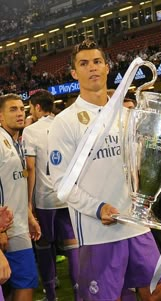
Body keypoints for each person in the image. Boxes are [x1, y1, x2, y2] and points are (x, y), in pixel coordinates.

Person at [48, 39, 161, 301]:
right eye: (84, 63)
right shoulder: (65, 122)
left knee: (157, 291)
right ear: (74, 73)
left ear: (107, 67)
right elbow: (61, 183)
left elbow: (142, 165)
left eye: (97, 62)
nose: (92, 68)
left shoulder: (126, 116)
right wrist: (97, 208)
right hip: (97, 229)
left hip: (134, 222)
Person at [22, 90, 80, 301]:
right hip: (67, 196)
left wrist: (29, 203)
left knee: (44, 246)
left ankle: (52, 295)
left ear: (37, 107)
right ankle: (78, 294)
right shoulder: (66, 123)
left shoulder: (31, 131)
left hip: (45, 198)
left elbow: (30, 166)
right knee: (73, 246)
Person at [0, 93, 41, 301]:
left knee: (16, 284)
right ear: (0, 116)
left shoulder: (16, 142)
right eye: (12, 109)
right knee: (25, 282)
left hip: (19, 225)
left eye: (21, 109)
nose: (19, 114)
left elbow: (15, 185)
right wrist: (0, 230)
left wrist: (29, 216)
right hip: (8, 230)